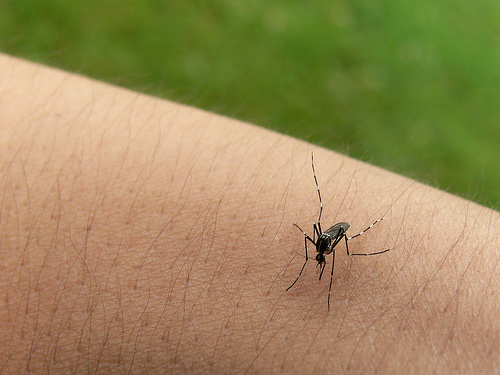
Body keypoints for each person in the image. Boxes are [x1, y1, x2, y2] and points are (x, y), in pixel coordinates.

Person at [0, 53, 498, 373]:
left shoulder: (332, 243)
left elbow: (326, 238)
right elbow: (311, 240)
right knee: (317, 217)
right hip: (328, 229)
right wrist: (310, 244)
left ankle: (367, 235)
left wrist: (339, 239)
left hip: (344, 231)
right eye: (320, 252)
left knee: (335, 225)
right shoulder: (316, 246)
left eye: (321, 252)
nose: (320, 254)